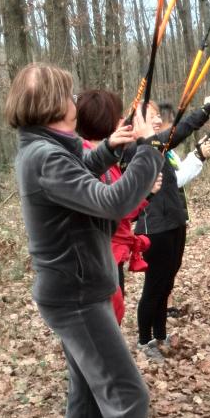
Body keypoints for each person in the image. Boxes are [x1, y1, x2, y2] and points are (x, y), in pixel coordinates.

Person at [6, 62, 173, 418]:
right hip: (77, 296)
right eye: (70, 93)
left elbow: (79, 175)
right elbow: (115, 202)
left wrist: (112, 146)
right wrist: (146, 148)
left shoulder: (45, 151)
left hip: (74, 290)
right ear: (56, 104)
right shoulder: (45, 158)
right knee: (128, 397)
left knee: (85, 389)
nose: (77, 100)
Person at [134, 91, 210, 362]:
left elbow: (177, 175)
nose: (158, 121)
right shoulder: (142, 147)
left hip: (174, 222)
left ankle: (160, 334)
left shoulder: (162, 148)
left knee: (167, 281)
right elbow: (181, 129)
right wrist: (207, 107)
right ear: (137, 123)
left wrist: (197, 155)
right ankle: (144, 341)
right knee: (154, 285)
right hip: (154, 228)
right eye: (151, 118)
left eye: (158, 117)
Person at [76, 89, 162, 325]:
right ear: (104, 119)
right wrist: (146, 145)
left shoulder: (103, 156)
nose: (120, 121)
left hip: (110, 254)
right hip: (101, 258)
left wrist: (146, 194)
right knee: (106, 326)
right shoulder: (85, 159)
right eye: (116, 116)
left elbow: (123, 209)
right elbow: (115, 206)